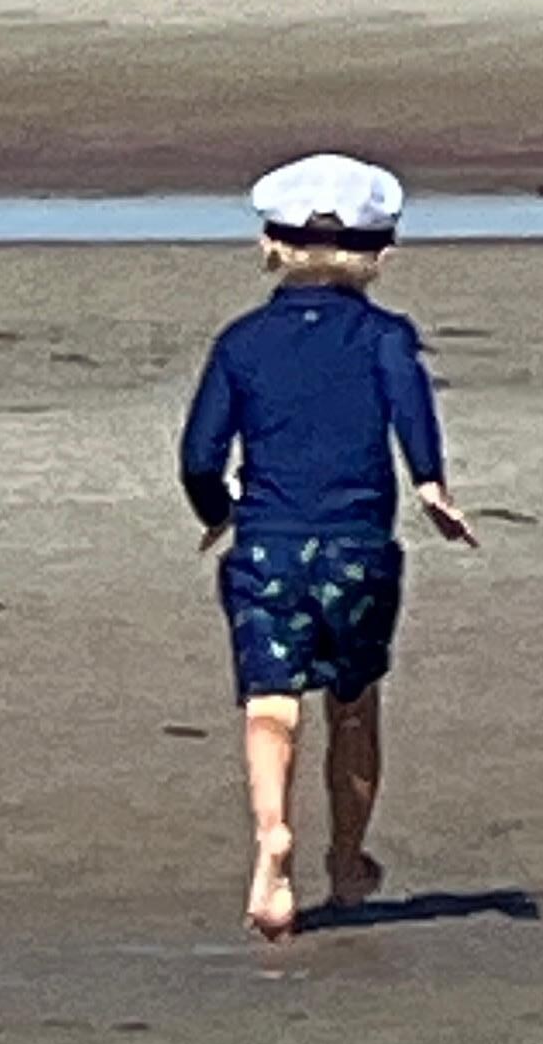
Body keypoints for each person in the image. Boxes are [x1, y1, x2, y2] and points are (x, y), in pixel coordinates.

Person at [178, 154, 478, 936]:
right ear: (376, 253)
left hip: (268, 545)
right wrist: (431, 485)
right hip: (358, 547)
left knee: (270, 703)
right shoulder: (385, 335)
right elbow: (410, 407)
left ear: (271, 245)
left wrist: (217, 508)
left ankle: (272, 837)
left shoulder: (242, 343)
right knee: (353, 704)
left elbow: (201, 455)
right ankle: (346, 859)